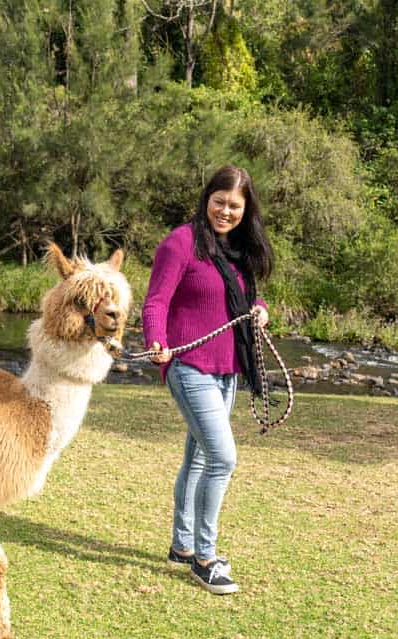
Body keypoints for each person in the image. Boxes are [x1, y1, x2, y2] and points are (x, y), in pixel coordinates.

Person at [142, 164, 273, 595]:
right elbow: (156, 302)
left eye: (235, 205)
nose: (225, 211)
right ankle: (205, 557)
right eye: (219, 202)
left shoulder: (236, 248)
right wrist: (157, 341)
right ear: (207, 199)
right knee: (223, 459)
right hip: (188, 366)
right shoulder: (182, 243)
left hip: (226, 370)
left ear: (245, 209)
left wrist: (260, 310)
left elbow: (241, 297)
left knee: (199, 459)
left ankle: (181, 546)